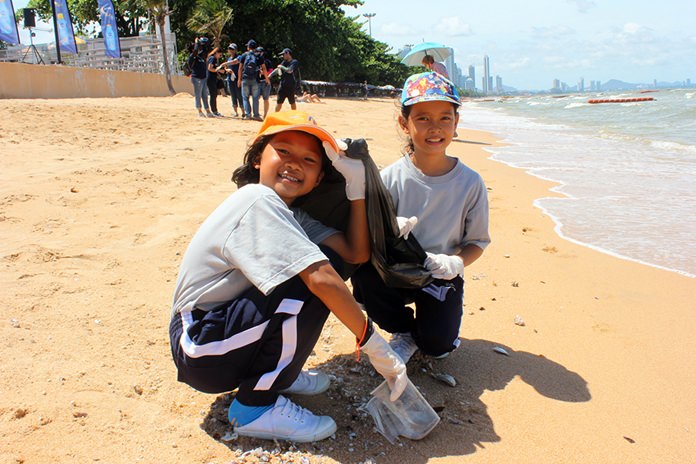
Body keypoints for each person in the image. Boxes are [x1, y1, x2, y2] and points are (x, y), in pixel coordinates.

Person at [169, 110, 408, 443]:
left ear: (320, 178)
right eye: (283, 151)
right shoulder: (256, 199)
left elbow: (354, 253)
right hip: (200, 343)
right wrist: (375, 346)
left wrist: (356, 188)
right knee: (314, 275)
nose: (295, 163)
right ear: (257, 159)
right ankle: (254, 407)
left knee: (327, 264)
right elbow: (322, 278)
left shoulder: (293, 216)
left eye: (309, 159)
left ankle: (277, 373)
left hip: (220, 335)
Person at [351, 72, 490, 364]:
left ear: (456, 122)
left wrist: (455, 262)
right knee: (364, 276)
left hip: (441, 273)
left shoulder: (470, 183)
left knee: (437, 348)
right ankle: (402, 329)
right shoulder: (390, 178)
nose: (435, 128)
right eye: (423, 118)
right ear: (405, 123)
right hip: (397, 271)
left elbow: (476, 241)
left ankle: (432, 330)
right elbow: (366, 234)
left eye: (445, 118)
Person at [238, 40, 268, 121]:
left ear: (248, 47)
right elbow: (264, 68)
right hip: (255, 79)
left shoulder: (244, 55)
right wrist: (267, 79)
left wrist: (239, 79)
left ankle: (248, 115)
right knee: (255, 98)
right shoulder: (259, 56)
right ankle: (256, 115)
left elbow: (240, 68)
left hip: (245, 78)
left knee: (245, 97)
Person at [187, 37, 213, 118]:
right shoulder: (192, 57)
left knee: (205, 94)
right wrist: (197, 43)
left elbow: (206, 50)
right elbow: (195, 51)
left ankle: (207, 110)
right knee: (198, 94)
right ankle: (199, 110)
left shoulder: (201, 56)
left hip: (203, 78)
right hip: (196, 78)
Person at [217, 43, 242, 117]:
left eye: (232, 49)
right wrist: (227, 69)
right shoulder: (229, 58)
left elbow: (235, 62)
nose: (231, 51)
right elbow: (226, 67)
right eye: (230, 49)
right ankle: (235, 111)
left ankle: (243, 111)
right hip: (230, 78)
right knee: (233, 95)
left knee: (239, 95)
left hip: (237, 78)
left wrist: (224, 64)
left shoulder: (239, 57)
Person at [206, 47, 224, 117]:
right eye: (220, 54)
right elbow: (210, 68)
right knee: (213, 95)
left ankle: (214, 110)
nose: (220, 56)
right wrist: (218, 70)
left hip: (212, 79)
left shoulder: (212, 58)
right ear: (216, 53)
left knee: (214, 95)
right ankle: (214, 111)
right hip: (211, 79)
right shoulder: (212, 58)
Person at [256, 46, 273, 119]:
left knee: (265, 99)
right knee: (256, 98)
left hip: (265, 82)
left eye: (260, 52)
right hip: (257, 81)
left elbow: (271, 71)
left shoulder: (267, 62)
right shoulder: (255, 61)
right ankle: (256, 113)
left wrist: (265, 74)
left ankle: (265, 114)